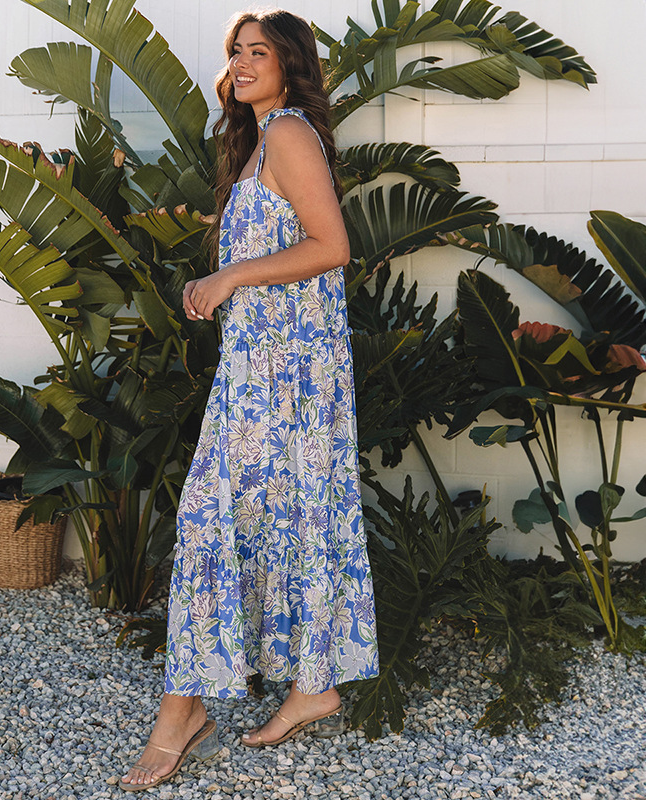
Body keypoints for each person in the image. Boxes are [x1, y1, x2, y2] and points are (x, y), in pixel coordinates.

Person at [120, 8, 380, 791]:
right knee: (272, 521)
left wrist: (229, 275)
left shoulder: (290, 132)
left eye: (257, 51)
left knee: (214, 519)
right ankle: (309, 687)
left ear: (290, 64)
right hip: (264, 371)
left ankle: (182, 716)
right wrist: (223, 274)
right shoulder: (263, 141)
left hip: (290, 379)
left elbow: (332, 246)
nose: (240, 62)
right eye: (235, 51)